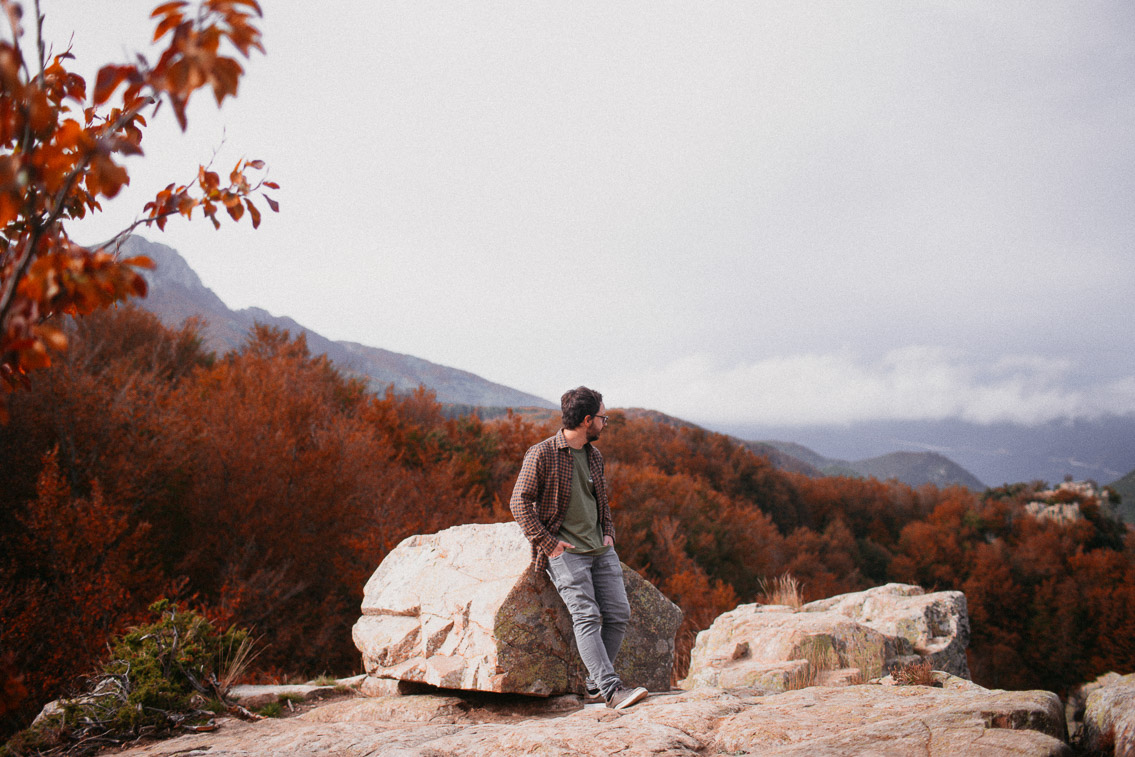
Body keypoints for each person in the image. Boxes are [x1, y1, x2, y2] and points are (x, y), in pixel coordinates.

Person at [509, 386, 649, 710]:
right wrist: (548, 543)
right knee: (586, 616)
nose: (605, 423)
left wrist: (609, 533)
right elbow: (519, 502)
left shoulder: (594, 456)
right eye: (603, 418)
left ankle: (595, 684)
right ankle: (612, 690)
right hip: (567, 554)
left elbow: (601, 501)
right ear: (588, 420)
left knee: (618, 614)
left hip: (601, 551)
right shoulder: (542, 454)